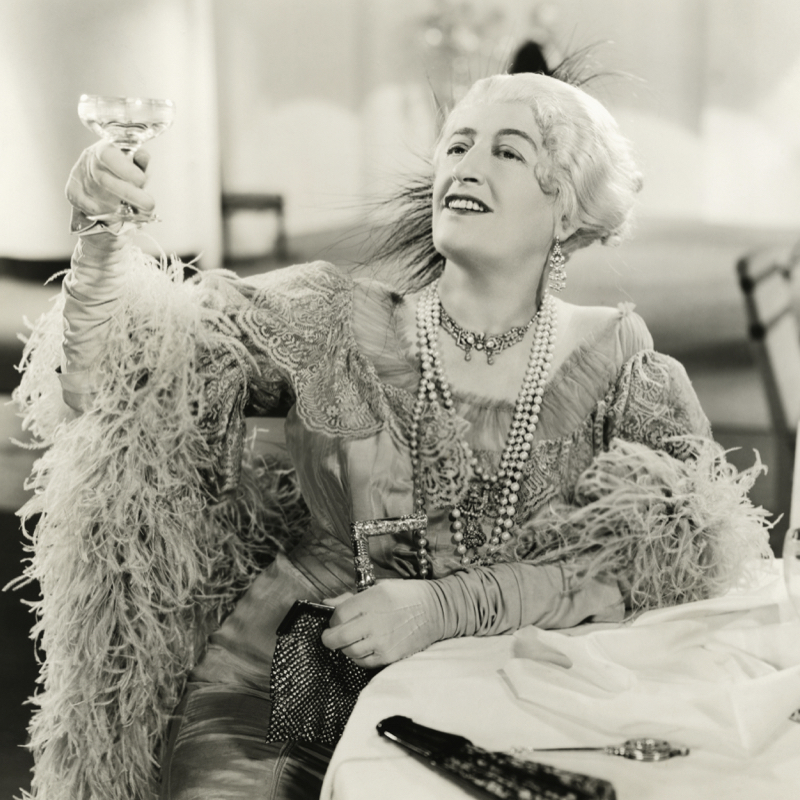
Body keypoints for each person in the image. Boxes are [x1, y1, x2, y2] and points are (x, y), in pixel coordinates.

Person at [14, 63, 771, 800]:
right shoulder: (333, 318)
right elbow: (113, 387)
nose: (467, 165)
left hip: (511, 689)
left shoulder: (619, 361)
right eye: (457, 145)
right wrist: (101, 236)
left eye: (507, 150)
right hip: (300, 669)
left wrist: (447, 607)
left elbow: (679, 558)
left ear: (568, 212)